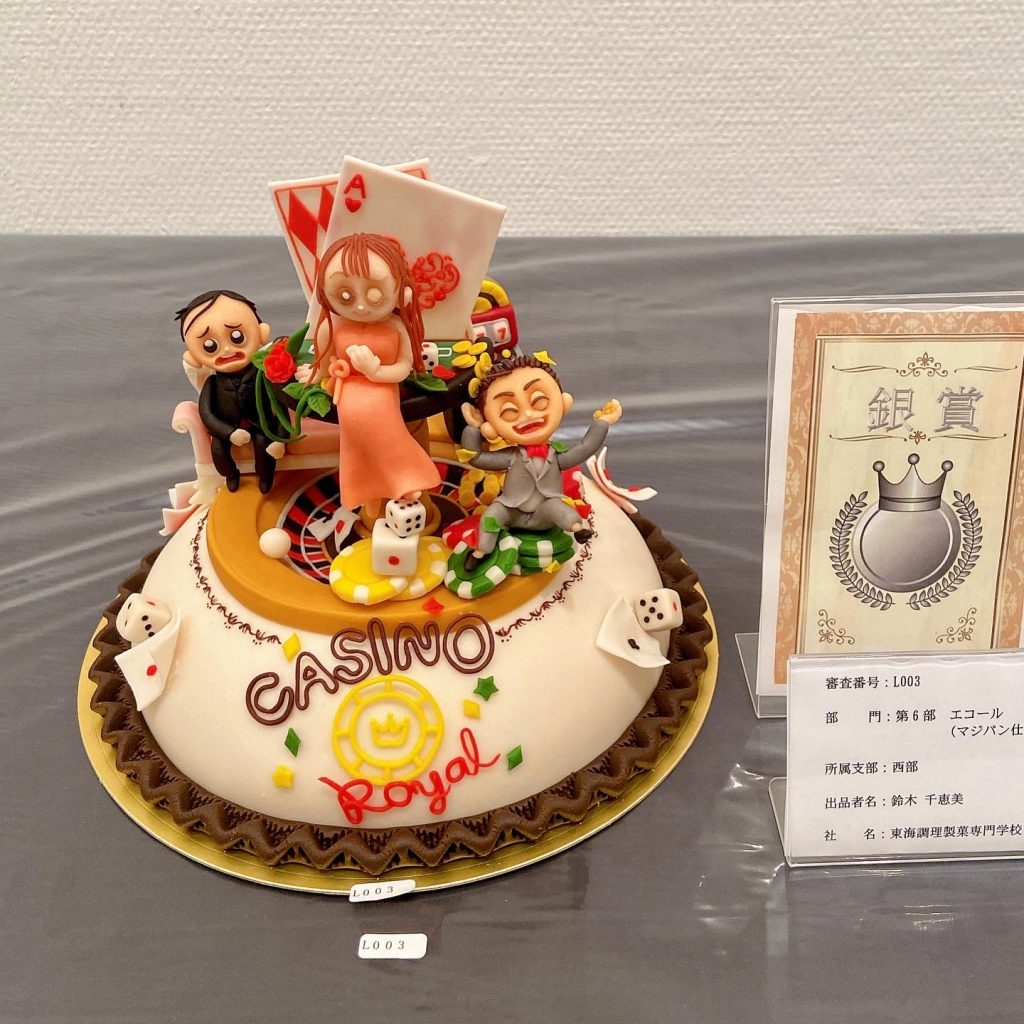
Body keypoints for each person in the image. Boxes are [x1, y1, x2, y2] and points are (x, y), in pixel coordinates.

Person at [304, 233, 442, 512]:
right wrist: (313, 376)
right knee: (356, 441)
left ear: (401, 291)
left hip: (382, 390)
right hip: (347, 393)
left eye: (375, 294)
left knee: (388, 433)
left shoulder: (397, 327)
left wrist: (376, 371)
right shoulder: (331, 327)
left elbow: (403, 368)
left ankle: (405, 479)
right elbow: (323, 362)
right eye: (345, 295)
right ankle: (368, 488)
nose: (360, 306)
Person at [460, 354, 622, 564]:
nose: (528, 414)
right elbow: (476, 457)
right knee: (491, 515)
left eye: (539, 401)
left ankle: (578, 529)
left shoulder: (557, 456)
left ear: (563, 403)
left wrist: (602, 423)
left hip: (544, 514)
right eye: (509, 411)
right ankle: (481, 552)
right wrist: (473, 428)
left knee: (557, 508)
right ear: (490, 426)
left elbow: (585, 448)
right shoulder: (511, 457)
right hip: (511, 510)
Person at [176, 290, 285, 493]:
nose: (226, 350)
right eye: (210, 346)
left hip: (260, 425)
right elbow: (207, 414)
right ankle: (231, 474)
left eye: (237, 337)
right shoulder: (212, 384)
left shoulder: (264, 375)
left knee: (264, 445)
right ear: (193, 357)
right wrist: (229, 432)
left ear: (262, 333)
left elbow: (280, 404)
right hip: (227, 428)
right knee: (218, 449)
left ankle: (265, 479)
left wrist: (280, 437)